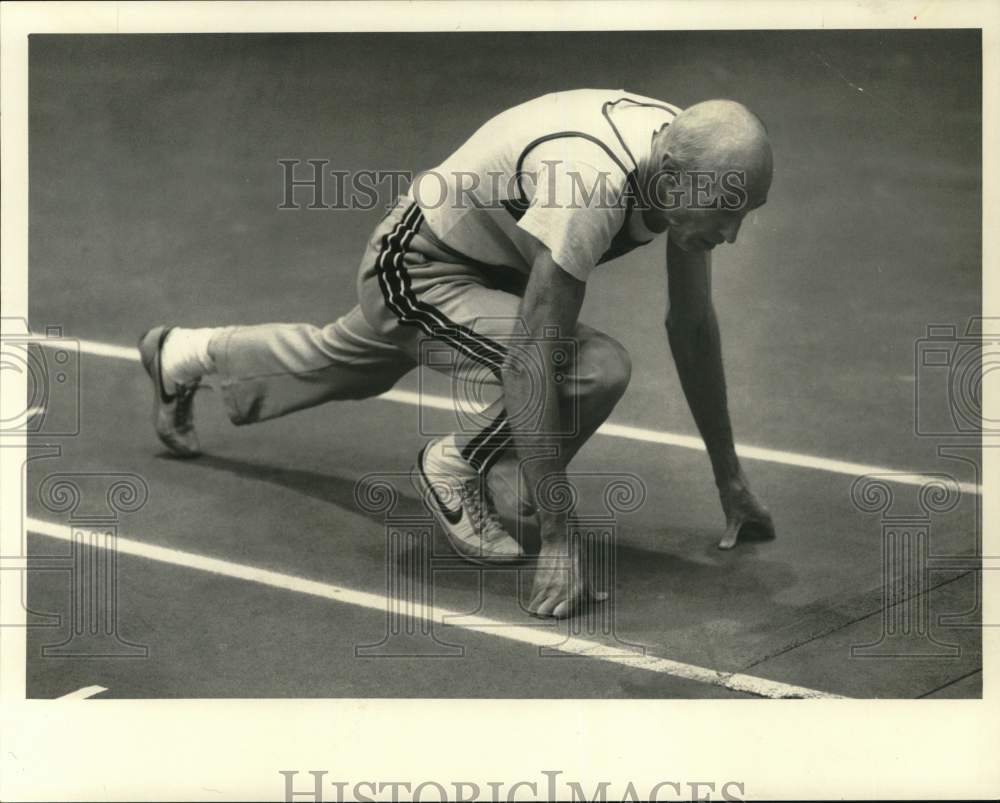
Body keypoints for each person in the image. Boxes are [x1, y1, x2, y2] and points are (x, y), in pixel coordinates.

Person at [138, 88, 776, 619]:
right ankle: (456, 465)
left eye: (745, 211)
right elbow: (531, 354)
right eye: (724, 210)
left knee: (346, 359)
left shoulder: (684, 154)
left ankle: (181, 355)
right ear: (669, 174)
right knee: (589, 367)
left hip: (487, 264)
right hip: (418, 268)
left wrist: (729, 476)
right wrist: (558, 535)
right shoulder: (592, 182)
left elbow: (692, 326)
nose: (731, 232)